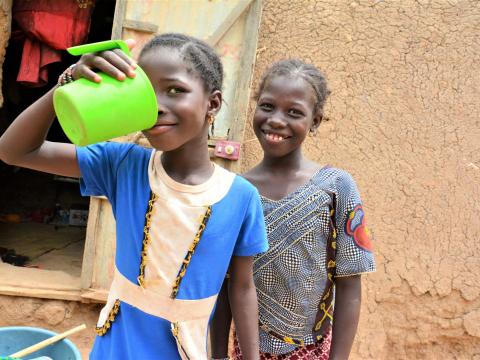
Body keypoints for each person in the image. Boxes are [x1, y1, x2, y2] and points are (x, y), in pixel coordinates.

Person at [0, 33, 268, 360]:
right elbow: (13, 150)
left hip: (186, 349)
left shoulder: (241, 197)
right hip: (117, 345)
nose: (155, 106)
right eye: (144, 91)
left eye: (175, 90)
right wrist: (66, 84)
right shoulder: (123, 165)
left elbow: (241, 287)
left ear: (212, 102)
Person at [210, 59, 376, 360]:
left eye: (294, 112)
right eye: (268, 106)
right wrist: (218, 355)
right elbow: (224, 285)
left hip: (314, 349)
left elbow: (350, 283)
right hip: (247, 349)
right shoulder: (235, 191)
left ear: (315, 121)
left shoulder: (336, 187)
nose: (276, 119)